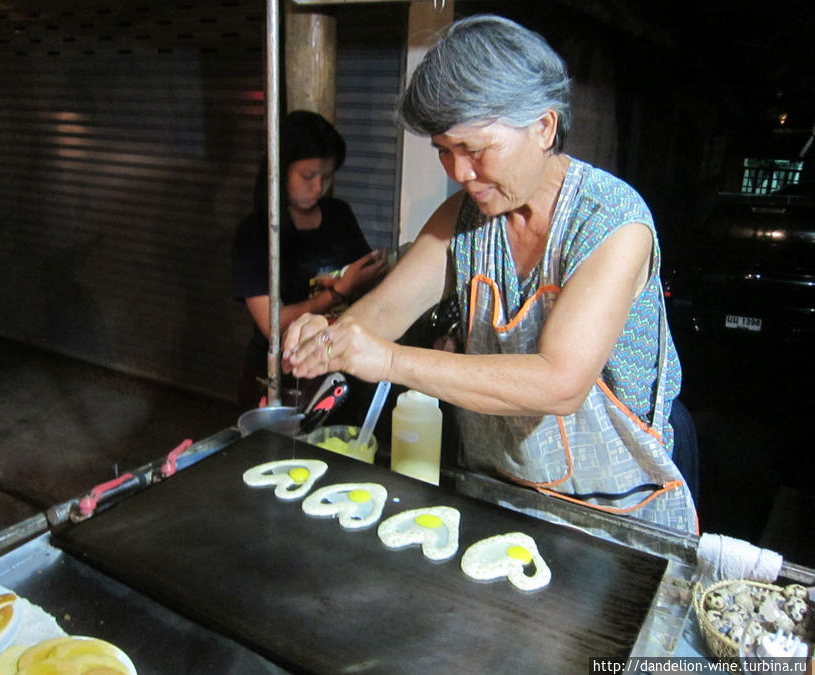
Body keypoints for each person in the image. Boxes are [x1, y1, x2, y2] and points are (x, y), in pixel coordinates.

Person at [282, 15, 698, 533]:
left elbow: (559, 382)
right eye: (445, 152)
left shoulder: (611, 222)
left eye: (475, 151)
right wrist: (336, 335)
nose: (459, 173)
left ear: (543, 127)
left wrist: (387, 359)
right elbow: (389, 305)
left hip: (615, 506)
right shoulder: (466, 217)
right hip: (500, 487)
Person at [232, 110, 387, 411]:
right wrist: (339, 291)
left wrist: (372, 273)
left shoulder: (338, 214)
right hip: (282, 377)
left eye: (326, 177)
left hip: (340, 370)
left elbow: (364, 279)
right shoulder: (256, 233)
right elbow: (272, 325)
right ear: (279, 170)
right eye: (308, 176)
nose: (318, 187)